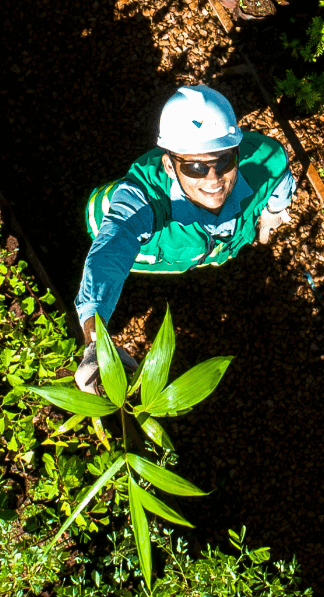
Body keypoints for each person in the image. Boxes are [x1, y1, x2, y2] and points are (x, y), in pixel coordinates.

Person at [74, 85, 294, 393]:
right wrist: (95, 337)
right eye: (194, 167)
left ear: (237, 153)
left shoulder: (265, 157)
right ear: (168, 165)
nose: (213, 179)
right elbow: (112, 250)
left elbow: (281, 174)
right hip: (133, 249)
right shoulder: (145, 198)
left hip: (195, 252)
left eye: (223, 161)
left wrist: (275, 210)